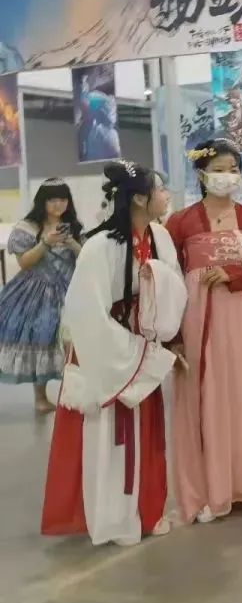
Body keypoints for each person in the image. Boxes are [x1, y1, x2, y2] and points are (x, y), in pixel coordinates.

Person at [41, 162, 186, 546]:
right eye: (159, 189)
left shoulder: (160, 237)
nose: (165, 196)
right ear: (138, 198)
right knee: (109, 436)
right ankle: (112, 518)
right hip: (109, 351)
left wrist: (161, 336)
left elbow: (173, 287)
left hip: (141, 346)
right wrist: (130, 352)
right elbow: (86, 312)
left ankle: (146, 510)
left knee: (147, 432)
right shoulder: (100, 245)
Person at [167, 139, 242, 525]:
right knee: (207, 395)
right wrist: (172, 335)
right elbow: (167, 280)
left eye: (233, 169)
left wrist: (234, 275)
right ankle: (209, 490)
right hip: (199, 319)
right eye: (218, 170)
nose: (227, 176)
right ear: (201, 174)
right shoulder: (180, 222)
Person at [0, 179, 82, 412]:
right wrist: (45, 242)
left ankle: (74, 393)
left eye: (63, 199)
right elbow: (25, 263)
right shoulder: (27, 228)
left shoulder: (74, 226)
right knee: (41, 337)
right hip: (36, 291)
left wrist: (72, 243)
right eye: (52, 199)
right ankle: (40, 397)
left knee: (74, 342)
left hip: (70, 288)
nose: (58, 204)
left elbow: (86, 258)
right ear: (42, 201)